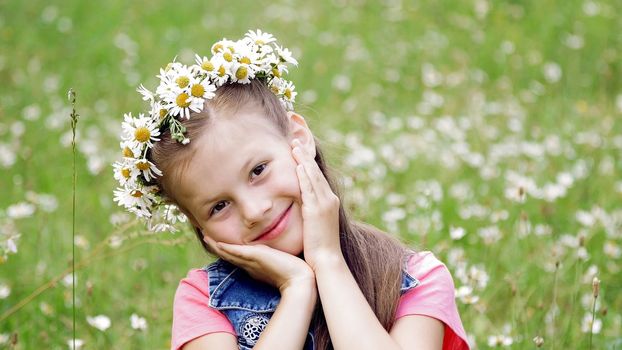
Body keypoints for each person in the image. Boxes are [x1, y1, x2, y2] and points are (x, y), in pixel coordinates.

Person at [113, 29, 470, 350]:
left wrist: (328, 262)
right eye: (219, 206)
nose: (254, 211)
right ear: (199, 228)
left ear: (298, 138)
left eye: (258, 170)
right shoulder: (203, 302)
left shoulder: (414, 279)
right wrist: (297, 290)